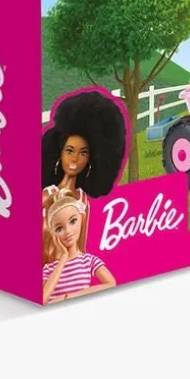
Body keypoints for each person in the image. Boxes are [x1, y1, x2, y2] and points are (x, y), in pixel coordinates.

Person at [42, 91, 127, 260]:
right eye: (69, 151)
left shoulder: (82, 200)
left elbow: (81, 247)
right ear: (59, 153)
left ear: (91, 159)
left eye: (83, 153)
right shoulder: (47, 196)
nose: (75, 158)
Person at [42, 193, 116, 303]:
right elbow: (42, 299)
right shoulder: (48, 269)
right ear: (53, 234)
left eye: (73, 221)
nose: (68, 231)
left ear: (81, 218)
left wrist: (69, 297)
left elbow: (111, 283)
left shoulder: (88, 261)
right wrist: (63, 258)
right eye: (59, 229)